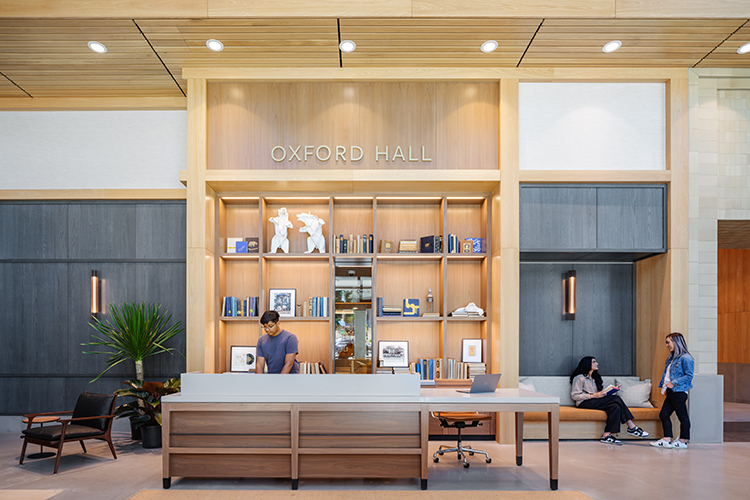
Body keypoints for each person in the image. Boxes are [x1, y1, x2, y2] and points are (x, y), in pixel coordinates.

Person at [570, 356, 650, 444]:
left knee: (615, 406)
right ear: (587, 364)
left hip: (595, 401)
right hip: (584, 402)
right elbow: (575, 396)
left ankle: (606, 435)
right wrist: (593, 395)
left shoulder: (595, 378)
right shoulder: (579, 378)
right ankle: (632, 427)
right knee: (617, 398)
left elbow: (599, 394)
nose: (597, 364)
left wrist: (610, 391)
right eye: (594, 362)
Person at [651, 332, 694, 449]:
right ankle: (667, 439)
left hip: (679, 392)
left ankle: (682, 441)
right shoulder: (671, 357)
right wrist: (665, 387)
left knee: (683, 417)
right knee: (664, 414)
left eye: (668, 342)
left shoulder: (686, 358)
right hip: (671, 392)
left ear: (676, 342)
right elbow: (667, 375)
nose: (667, 345)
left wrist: (673, 383)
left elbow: (689, 376)